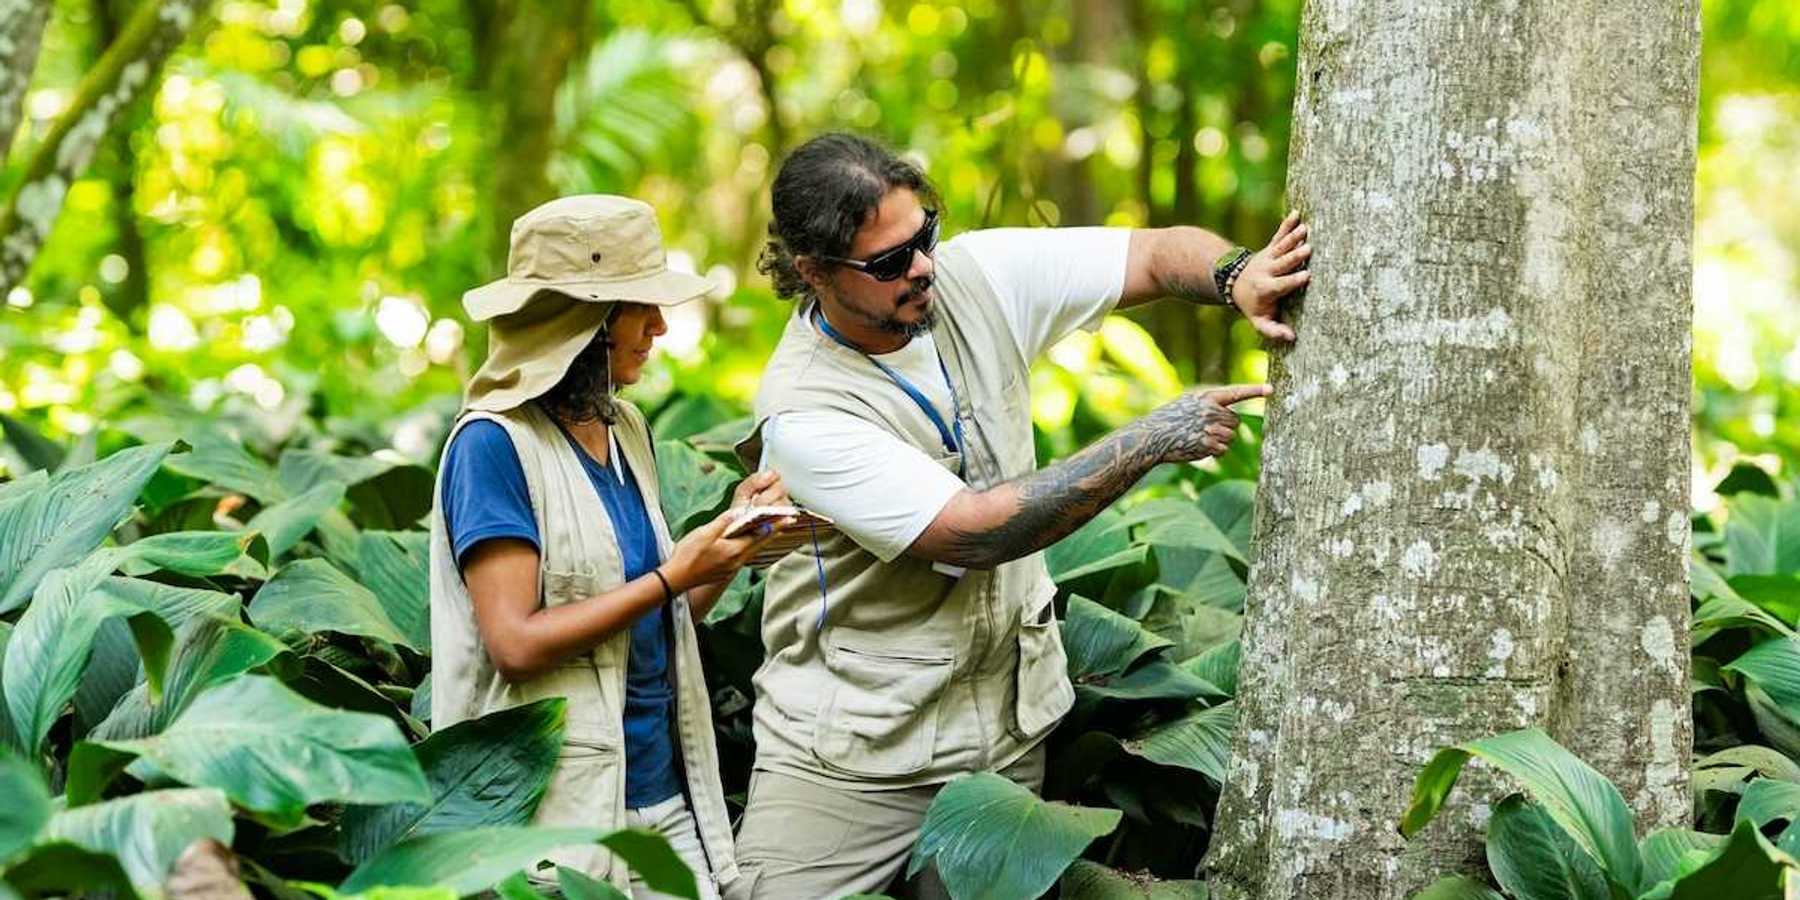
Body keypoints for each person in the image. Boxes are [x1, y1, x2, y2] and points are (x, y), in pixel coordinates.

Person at [727, 133, 1309, 898]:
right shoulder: (804, 414)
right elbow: (975, 532)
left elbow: (1151, 252)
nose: (923, 267)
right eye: (889, 262)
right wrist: (1149, 439)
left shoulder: (973, 278)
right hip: (854, 760)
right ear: (814, 274)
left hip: (1002, 735)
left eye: (924, 235)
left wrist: (1237, 276)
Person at [428, 195, 789, 899]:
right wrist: (671, 576)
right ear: (584, 323)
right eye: (638, 307)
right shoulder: (492, 446)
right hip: (561, 823)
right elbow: (515, 644)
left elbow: (657, 621)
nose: (658, 326)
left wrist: (726, 546)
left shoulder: (624, 429)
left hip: (666, 798)